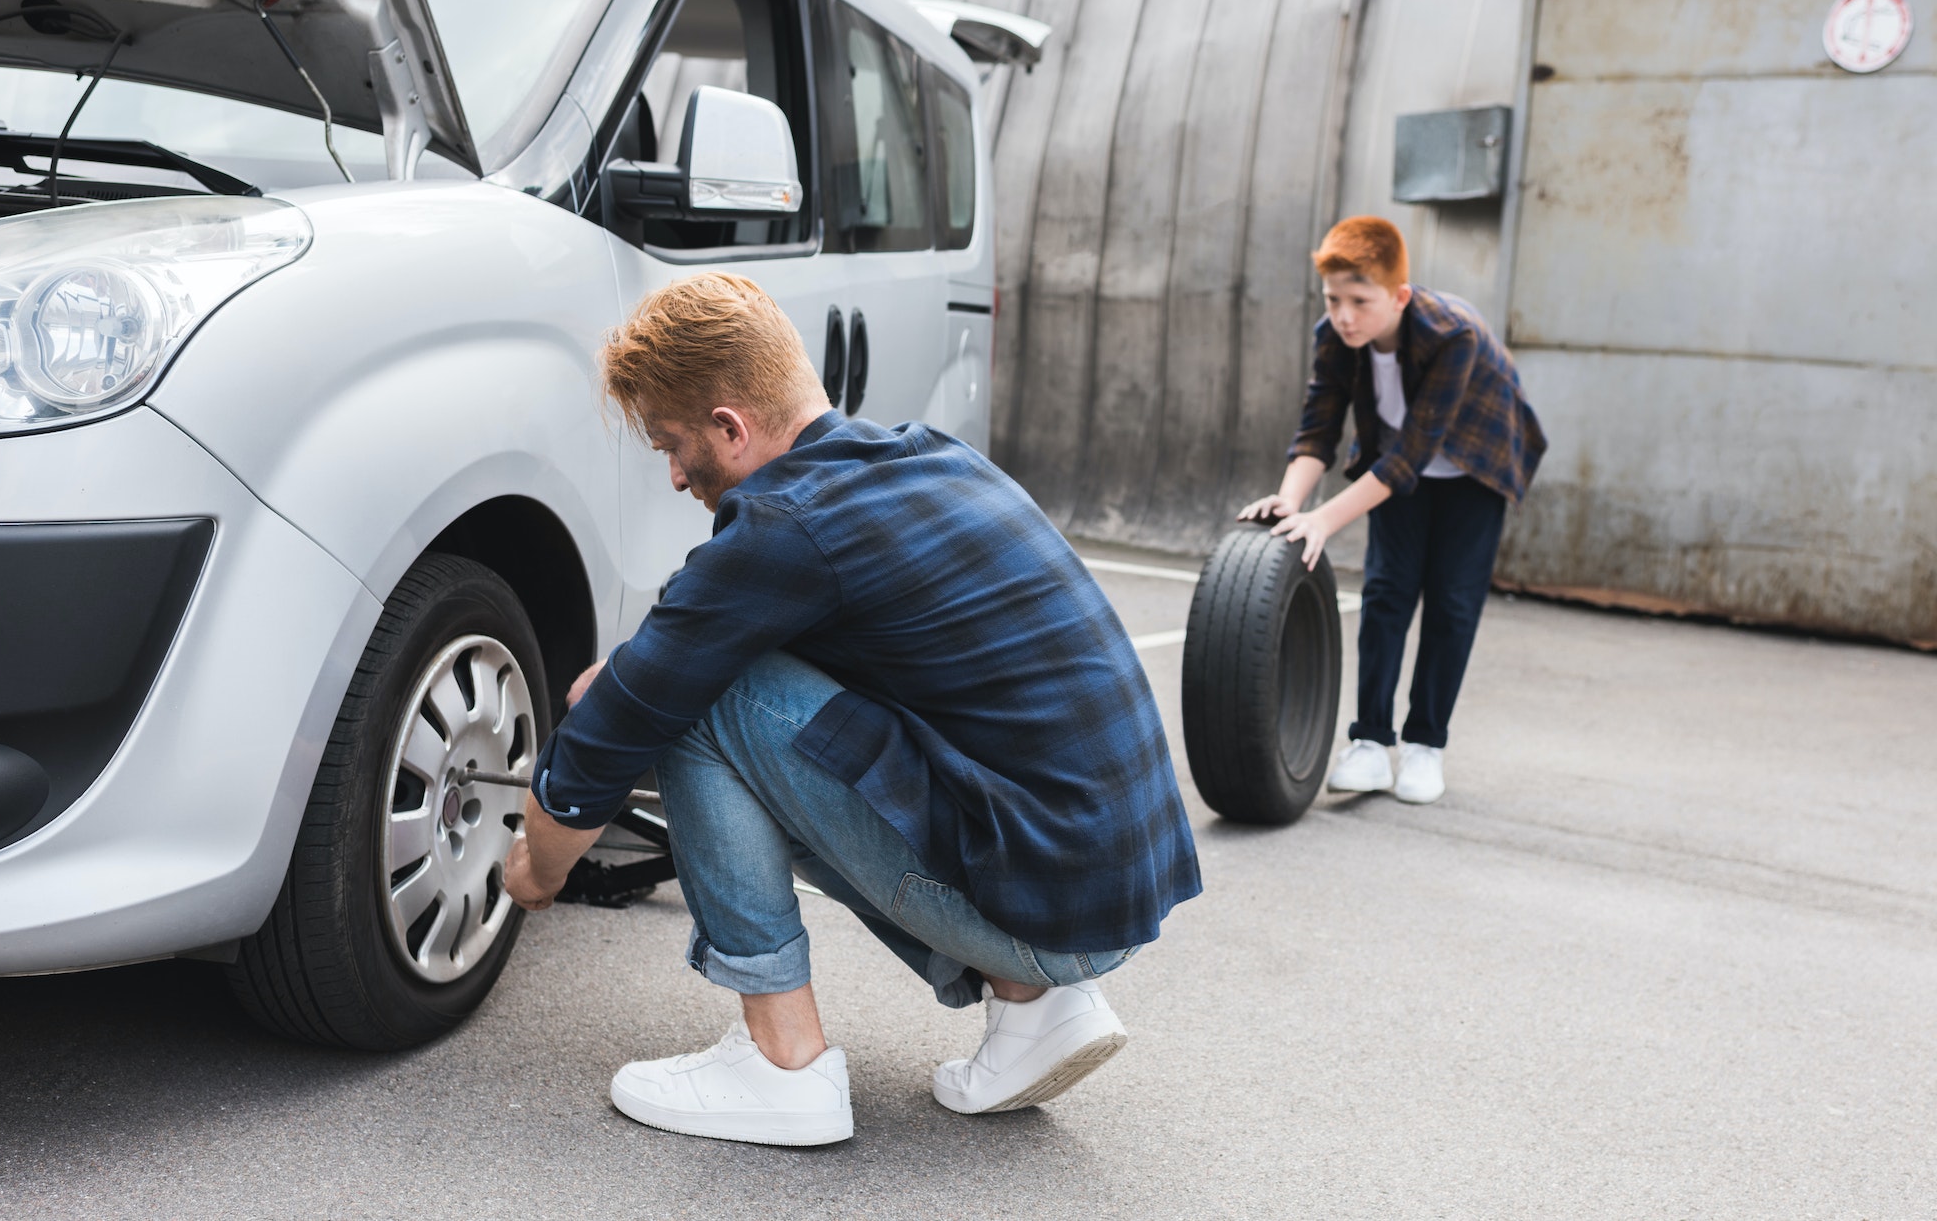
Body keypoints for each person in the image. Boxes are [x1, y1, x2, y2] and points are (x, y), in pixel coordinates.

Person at [503, 272, 1201, 1147]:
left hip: (1049, 909)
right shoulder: (924, 459)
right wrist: (637, 668)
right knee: (694, 671)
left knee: (696, 698)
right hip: (1102, 887)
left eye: (673, 446)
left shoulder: (785, 525)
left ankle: (781, 1065)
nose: (677, 474)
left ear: (731, 426)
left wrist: (536, 867)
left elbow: (615, 730)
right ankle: (1036, 1011)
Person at [1238, 216, 1545, 805]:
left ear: (1399, 295)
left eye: (1360, 301)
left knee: (1452, 603)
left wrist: (1325, 520)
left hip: (1474, 464)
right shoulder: (1334, 335)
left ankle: (1426, 746)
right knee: (1385, 593)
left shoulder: (1453, 335)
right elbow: (1317, 429)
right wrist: (1291, 501)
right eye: (1333, 299)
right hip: (1398, 468)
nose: (1345, 315)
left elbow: (1410, 456)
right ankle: (1370, 744)